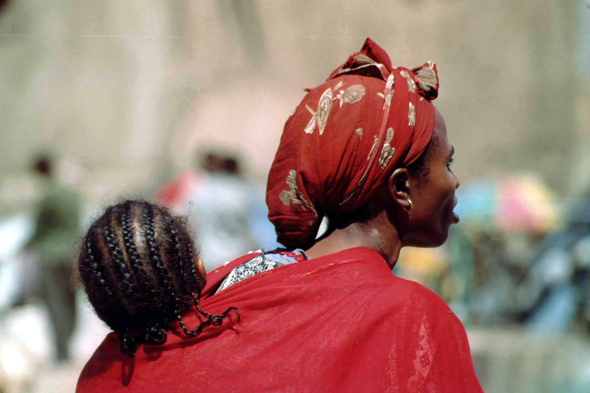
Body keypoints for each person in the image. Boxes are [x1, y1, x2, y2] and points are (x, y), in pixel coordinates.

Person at [77, 39, 483, 392]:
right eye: (448, 164)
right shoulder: (412, 319)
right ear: (399, 188)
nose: (456, 181)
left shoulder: (234, 281)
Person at [25, 155, 82, 362]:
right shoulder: (73, 194)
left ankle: (62, 348)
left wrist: (25, 247)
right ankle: (70, 339)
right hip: (72, 254)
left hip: (50, 256)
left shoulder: (47, 196)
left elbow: (38, 231)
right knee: (71, 300)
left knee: (56, 303)